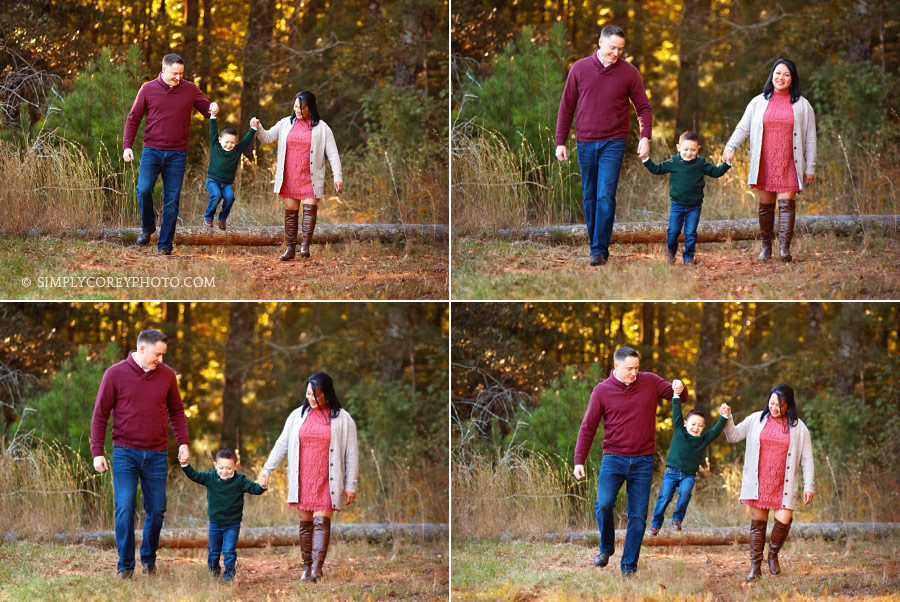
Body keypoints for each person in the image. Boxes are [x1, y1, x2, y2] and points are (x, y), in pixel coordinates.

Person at [90, 329, 190, 578]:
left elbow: (176, 411)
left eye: (163, 354)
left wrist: (183, 443)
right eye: (157, 354)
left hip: (156, 453)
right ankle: (125, 566)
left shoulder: (167, 375)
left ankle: (148, 559)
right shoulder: (114, 374)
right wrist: (97, 452)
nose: (161, 359)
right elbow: (100, 415)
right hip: (125, 452)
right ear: (142, 349)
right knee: (125, 507)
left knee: (156, 509)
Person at [573, 347, 678, 577]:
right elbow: (588, 427)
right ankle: (606, 547)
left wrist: (680, 387)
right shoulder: (601, 391)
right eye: (630, 368)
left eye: (637, 368)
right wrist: (578, 460)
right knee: (604, 504)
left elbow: (676, 394)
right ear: (617, 366)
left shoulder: (649, 382)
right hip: (613, 458)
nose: (635, 373)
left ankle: (628, 568)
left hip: (642, 460)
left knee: (638, 516)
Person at [555, 25, 652, 266]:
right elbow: (566, 106)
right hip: (586, 141)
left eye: (620, 49)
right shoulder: (579, 68)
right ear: (600, 42)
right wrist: (560, 141)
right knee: (589, 196)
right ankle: (595, 245)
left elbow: (643, 108)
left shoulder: (629, 73)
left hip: (614, 142)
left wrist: (645, 136)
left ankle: (599, 250)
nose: (616, 53)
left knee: (605, 195)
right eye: (612, 48)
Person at [258, 372, 358, 583]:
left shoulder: (343, 419)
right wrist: (267, 470)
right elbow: (282, 444)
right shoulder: (297, 415)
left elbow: (351, 454)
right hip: (303, 478)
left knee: (322, 523)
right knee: (305, 525)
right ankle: (306, 567)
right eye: (309, 394)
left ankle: (317, 570)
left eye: (316, 395)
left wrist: (350, 485)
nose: (311, 399)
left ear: (327, 394)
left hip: (328, 480)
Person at [723, 59, 817, 262]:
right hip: (764, 161)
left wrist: (810, 167)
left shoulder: (803, 105)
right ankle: (766, 247)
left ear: (792, 79)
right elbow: (743, 127)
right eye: (778, 73)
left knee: (786, 205)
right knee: (766, 205)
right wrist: (731, 146)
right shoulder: (758, 102)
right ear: (772, 75)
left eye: (786, 74)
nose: (781, 77)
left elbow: (810, 138)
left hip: (790, 161)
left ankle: (784, 249)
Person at [123, 54, 216, 255]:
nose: (178, 78)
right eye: (175, 73)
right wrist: (127, 146)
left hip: (177, 154)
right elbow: (133, 119)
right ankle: (148, 228)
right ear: (163, 70)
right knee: (144, 189)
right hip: (152, 150)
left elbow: (207, 110)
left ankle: (165, 245)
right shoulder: (147, 89)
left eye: (181, 74)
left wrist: (214, 108)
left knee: (172, 199)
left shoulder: (190, 89)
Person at [723, 384, 814, 581]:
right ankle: (755, 567)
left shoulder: (799, 428)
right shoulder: (756, 419)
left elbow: (807, 458)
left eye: (779, 406)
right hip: (758, 481)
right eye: (771, 403)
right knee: (758, 525)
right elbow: (734, 436)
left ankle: (773, 555)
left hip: (784, 484)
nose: (774, 408)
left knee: (784, 519)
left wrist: (809, 486)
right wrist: (727, 418)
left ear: (788, 406)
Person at [254, 91, 343, 260]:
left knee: (310, 210)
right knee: (291, 213)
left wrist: (337, 176)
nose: (297, 110)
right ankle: (290, 249)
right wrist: (258, 127)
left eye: (301, 108)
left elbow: (332, 154)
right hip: (289, 175)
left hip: (310, 177)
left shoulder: (322, 128)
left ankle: (305, 246)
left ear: (310, 108)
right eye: (295, 106)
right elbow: (267, 138)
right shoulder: (285, 123)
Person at [641, 131, 731, 265]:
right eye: (686, 149)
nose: (689, 152)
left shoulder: (700, 163)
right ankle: (671, 252)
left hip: (695, 206)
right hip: (677, 204)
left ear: (698, 149)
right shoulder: (674, 161)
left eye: (693, 150)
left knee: (690, 233)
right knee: (673, 231)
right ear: (678, 148)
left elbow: (716, 172)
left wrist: (726, 164)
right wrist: (646, 159)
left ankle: (688, 257)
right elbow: (657, 169)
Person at [179, 448, 267, 583]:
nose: (224, 471)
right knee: (214, 551)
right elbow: (194, 475)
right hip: (215, 523)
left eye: (228, 468)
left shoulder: (240, 480)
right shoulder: (210, 477)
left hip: (233, 524)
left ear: (235, 466)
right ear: (215, 465)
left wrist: (262, 486)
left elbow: (254, 489)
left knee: (229, 551)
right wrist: (185, 464)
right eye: (221, 468)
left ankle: (229, 577)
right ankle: (213, 574)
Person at [648, 396, 728, 535]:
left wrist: (724, 416)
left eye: (700, 425)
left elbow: (715, 431)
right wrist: (676, 396)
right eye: (693, 424)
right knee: (665, 497)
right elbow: (677, 412)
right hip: (671, 472)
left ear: (703, 427)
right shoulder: (679, 430)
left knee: (685, 494)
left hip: (688, 475)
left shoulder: (703, 440)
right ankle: (655, 525)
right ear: (685, 423)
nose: (696, 428)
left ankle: (677, 520)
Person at [203, 107, 259, 230]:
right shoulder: (215, 146)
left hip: (227, 183)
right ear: (220, 140)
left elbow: (246, 140)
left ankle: (222, 218)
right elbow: (213, 130)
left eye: (232, 143)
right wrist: (213, 116)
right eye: (227, 142)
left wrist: (253, 128)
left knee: (230, 197)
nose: (229, 145)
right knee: (216, 195)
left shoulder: (237, 150)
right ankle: (208, 218)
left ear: (236, 142)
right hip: (212, 181)